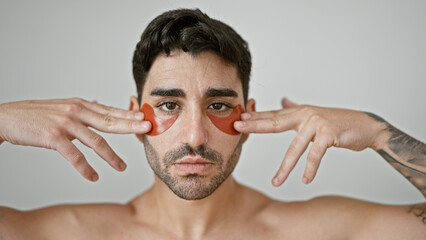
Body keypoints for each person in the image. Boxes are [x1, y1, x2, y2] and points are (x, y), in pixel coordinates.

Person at [0, 8, 425, 239]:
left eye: (219, 105)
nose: (195, 137)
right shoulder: (68, 234)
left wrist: (378, 133)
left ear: (248, 112)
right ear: (134, 111)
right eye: (169, 105)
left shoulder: (314, 232)